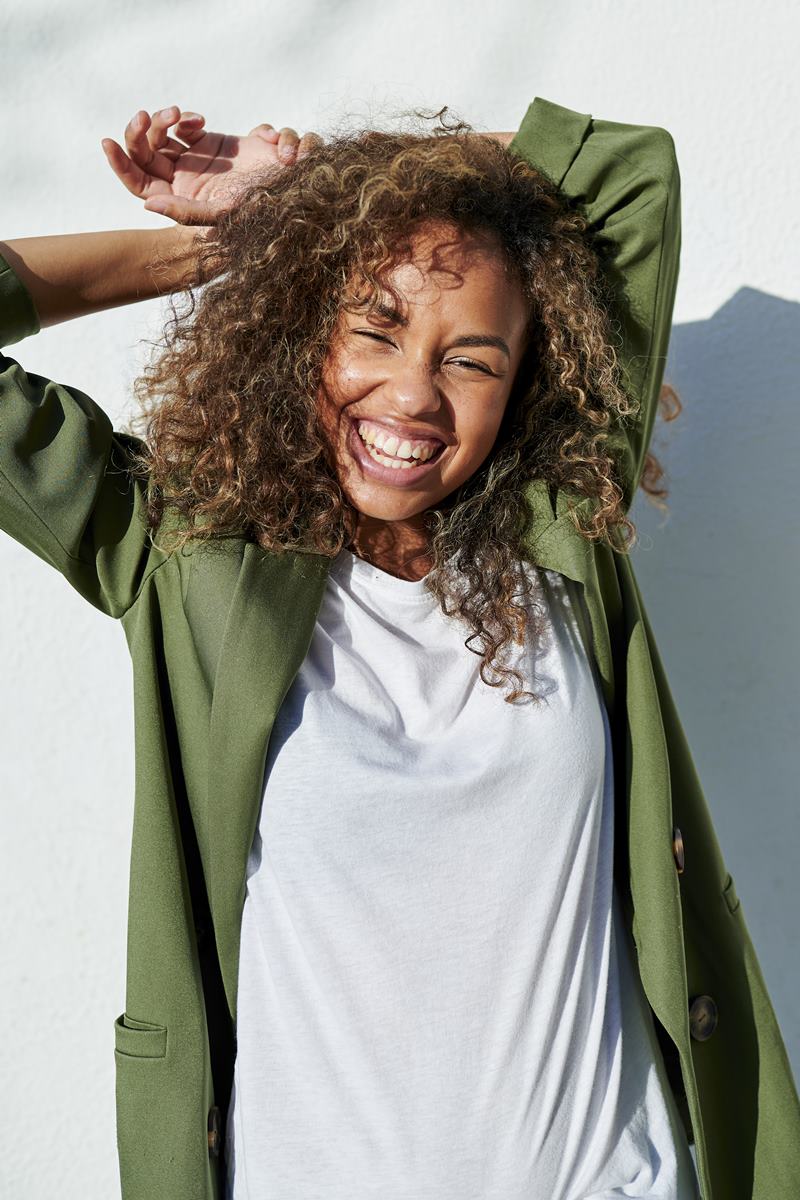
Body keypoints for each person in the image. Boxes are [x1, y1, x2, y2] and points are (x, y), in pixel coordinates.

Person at [1, 98, 797, 1200]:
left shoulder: (559, 531)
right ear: (300, 327)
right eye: (374, 327)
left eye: (469, 360)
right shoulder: (182, 556)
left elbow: (625, 169)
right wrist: (258, 236)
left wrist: (331, 191)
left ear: (525, 380)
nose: (414, 393)